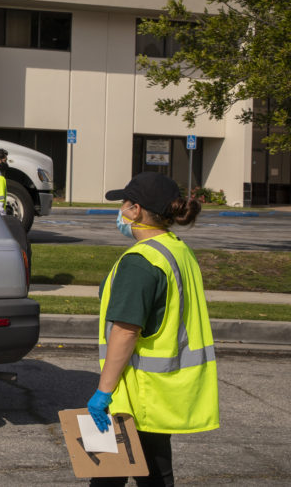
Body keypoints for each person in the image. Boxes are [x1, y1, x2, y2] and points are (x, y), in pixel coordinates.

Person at [87, 172, 219, 487]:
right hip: (160, 392)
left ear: (136, 209)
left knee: (112, 475)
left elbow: (126, 330)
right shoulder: (176, 248)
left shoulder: (141, 261)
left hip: (136, 393)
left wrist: (103, 392)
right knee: (153, 475)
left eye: (123, 203)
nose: (120, 210)